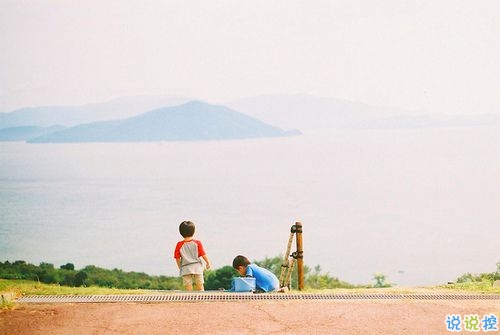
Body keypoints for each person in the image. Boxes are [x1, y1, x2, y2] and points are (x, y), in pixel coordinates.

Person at [174, 220, 211, 291]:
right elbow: (203, 254)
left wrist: (179, 266)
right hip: (197, 267)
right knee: (200, 285)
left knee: (188, 286)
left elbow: (177, 257)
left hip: (185, 268)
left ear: (181, 232)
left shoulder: (179, 245)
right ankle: (202, 300)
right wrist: (208, 262)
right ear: (193, 231)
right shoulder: (197, 243)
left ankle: (190, 300)